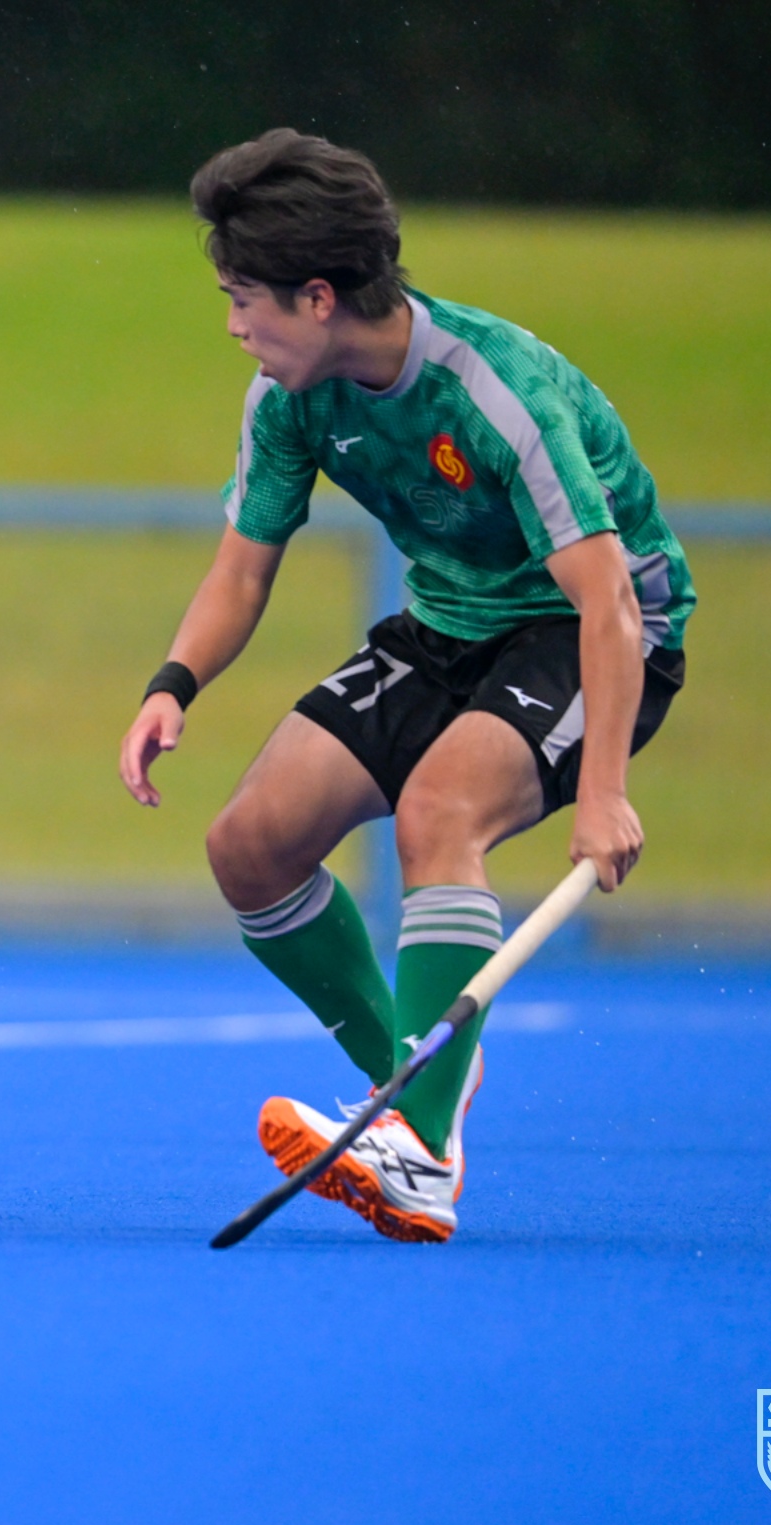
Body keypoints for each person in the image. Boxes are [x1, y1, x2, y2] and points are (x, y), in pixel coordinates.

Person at [120, 130, 694, 1242]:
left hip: (590, 631)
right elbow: (243, 570)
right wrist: (173, 683)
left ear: (319, 297)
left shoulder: (500, 394)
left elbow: (610, 605)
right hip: (446, 625)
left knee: (441, 811)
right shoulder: (287, 396)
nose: (235, 326)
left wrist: (605, 792)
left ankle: (421, 1149)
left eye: (245, 301)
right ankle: (412, 1083)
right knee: (250, 845)